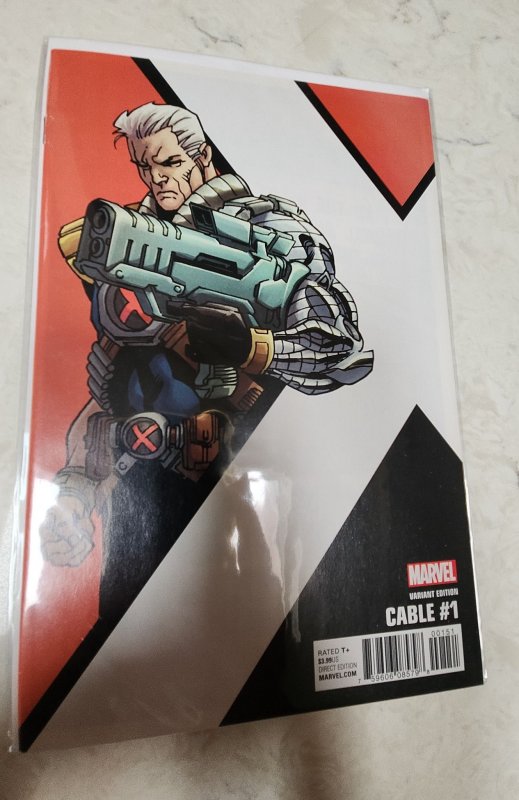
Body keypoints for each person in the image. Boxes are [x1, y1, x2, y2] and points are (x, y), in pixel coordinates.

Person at [41, 102, 373, 617]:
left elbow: (342, 351)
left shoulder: (269, 230)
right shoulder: (128, 239)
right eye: (144, 166)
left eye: (170, 163)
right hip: (139, 498)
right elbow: (114, 389)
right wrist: (73, 496)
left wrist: (252, 347)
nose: (156, 179)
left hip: (235, 486)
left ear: (202, 157)